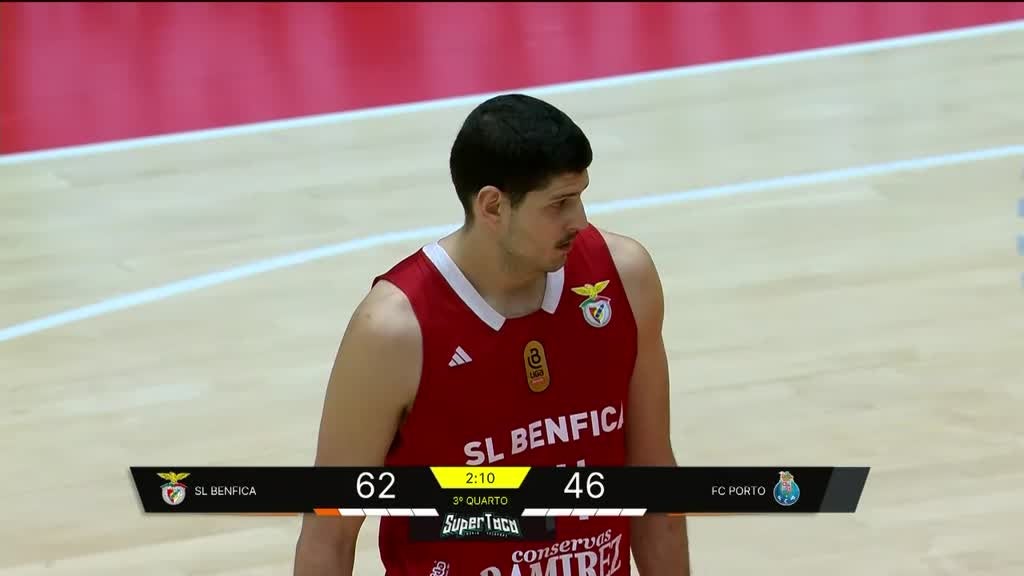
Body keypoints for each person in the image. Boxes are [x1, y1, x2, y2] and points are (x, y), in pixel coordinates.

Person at [293, 93, 690, 575]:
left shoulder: (625, 278)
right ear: (493, 206)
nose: (580, 220)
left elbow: (652, 482)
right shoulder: (393, 331)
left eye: (581, 196)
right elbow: (328, 533)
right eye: (559, 204)